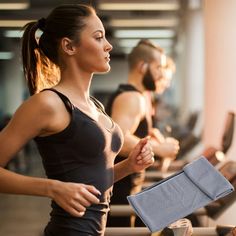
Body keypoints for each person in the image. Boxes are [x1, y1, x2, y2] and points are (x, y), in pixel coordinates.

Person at [0, 4, 154, 236]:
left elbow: (90, 183)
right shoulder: (48, 104)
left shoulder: (95, 107)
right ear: (69, 46)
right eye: (98, 37)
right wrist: (52, 188)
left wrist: (129, 166)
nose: (108, 45)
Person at [106, 39, 180, 227]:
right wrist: (160, 149)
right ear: (142, 66)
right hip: (120, 193)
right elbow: (118, 141)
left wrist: (151, 139)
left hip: (129, 190)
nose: (162, 73)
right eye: (158, 67)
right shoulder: (132, 98)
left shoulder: (136, 97)